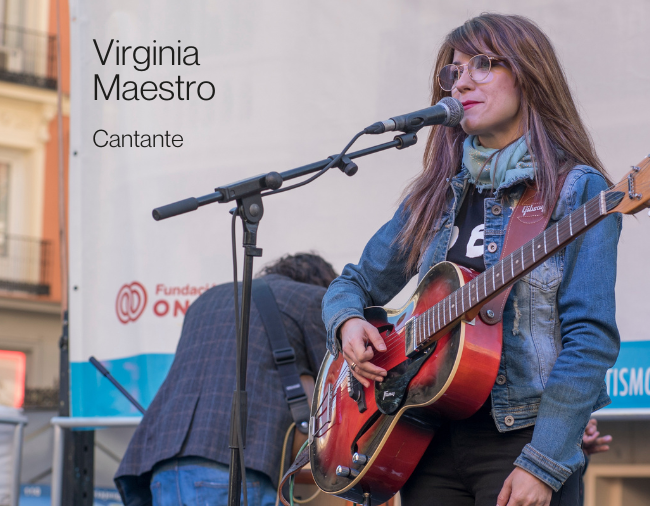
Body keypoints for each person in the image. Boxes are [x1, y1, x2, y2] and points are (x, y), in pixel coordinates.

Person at [321, 13, 621, 506]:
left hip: (519, 437)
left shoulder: (577, 189)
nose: (462, 81)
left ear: (529, 74)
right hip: (426, 438)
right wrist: (348, 323)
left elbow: (590, 339)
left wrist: (544, 464)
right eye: (454, 71)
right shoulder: (436, 195)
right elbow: (351, 284)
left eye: (482, 65)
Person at [115, 253, 337, 506]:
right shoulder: (312, 299)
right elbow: (338, 385)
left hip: (163, 466)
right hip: (235, 466)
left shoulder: (204, 301)